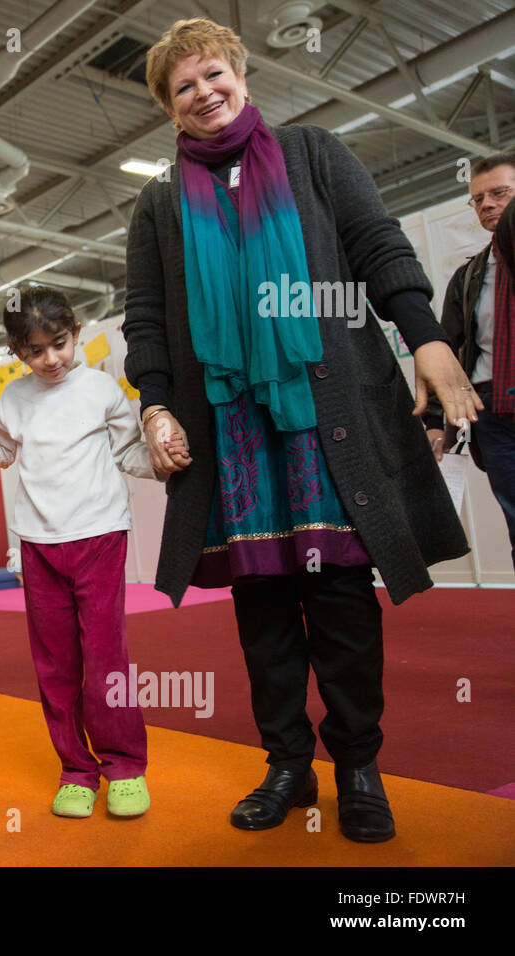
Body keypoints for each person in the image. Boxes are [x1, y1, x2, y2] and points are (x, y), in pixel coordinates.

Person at [123, 18, 477, 843]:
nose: (204, 92)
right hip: (229, 427)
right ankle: (286, 762)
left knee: (343, 595)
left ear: (242, 74)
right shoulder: (160, 199)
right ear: (168, 108)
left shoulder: (316, 152)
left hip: (327, 414)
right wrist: (156, 402)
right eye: (184, 86)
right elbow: (145, 318)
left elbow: (379, 246)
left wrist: (428, 338)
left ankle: (359, 766)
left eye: (215, 74)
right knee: (263, 602)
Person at [0, 289, 184, 820]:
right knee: (55, 664)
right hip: (37, 544)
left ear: (75, 332)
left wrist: (163, 461)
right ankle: (76, 769)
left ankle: (123, 766)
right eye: (35, 351)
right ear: (16, 352)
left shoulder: (100, 388)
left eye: (60, 344)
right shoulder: (14, 398)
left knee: (104, 659)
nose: (51, 359)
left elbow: (127, 452)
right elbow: (6, 451)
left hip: (99, 535)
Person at [427, 152, 512, 564]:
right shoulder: (468, 276)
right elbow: (445, 350)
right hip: (492, 413)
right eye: (477, 199)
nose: (487, 205)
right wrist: (433, 424)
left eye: (499, 193)